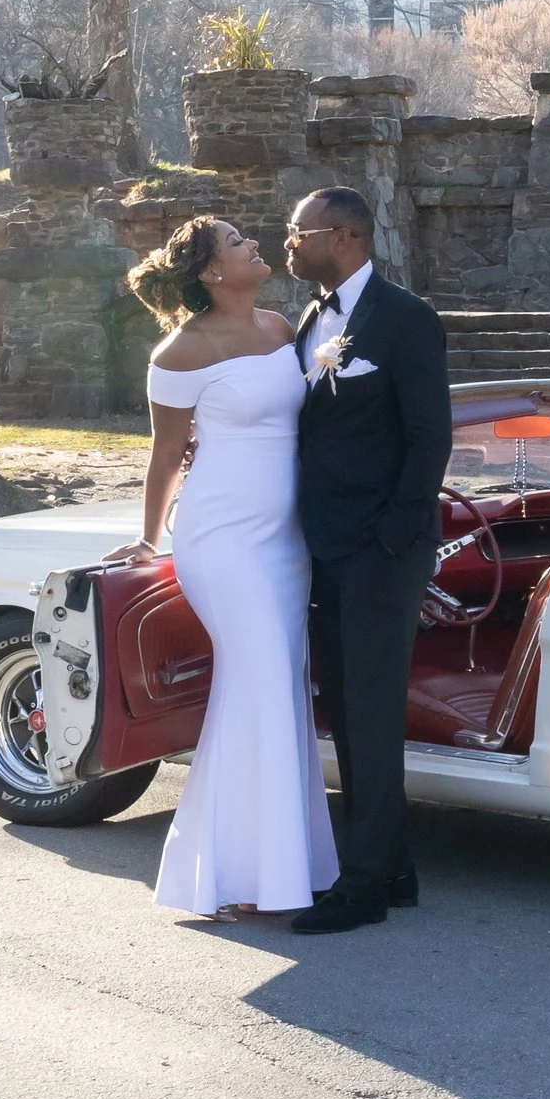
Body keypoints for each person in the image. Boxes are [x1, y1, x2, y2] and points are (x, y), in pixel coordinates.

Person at [106, 216, 338, 919]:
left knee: (280, 688)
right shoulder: (178, 354)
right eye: (237, 242)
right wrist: (149, 539)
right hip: (224, 540)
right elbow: (165, 454)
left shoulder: (280, 325)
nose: (254, 245)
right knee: (258, 678)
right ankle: (235, 877)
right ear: (210, 272)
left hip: (286, 542)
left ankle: (283, 868)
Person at [283, 186, 451, 935]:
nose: (288, 242)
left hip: (381, 547)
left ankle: (363, 887)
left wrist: (394, 530)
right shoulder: (314, 318)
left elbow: (429, 435)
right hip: (325, 542)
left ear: (344, 235)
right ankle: (397, 866)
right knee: (348, 709)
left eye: (298, 231)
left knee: (372, 711)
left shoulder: (406, 318)